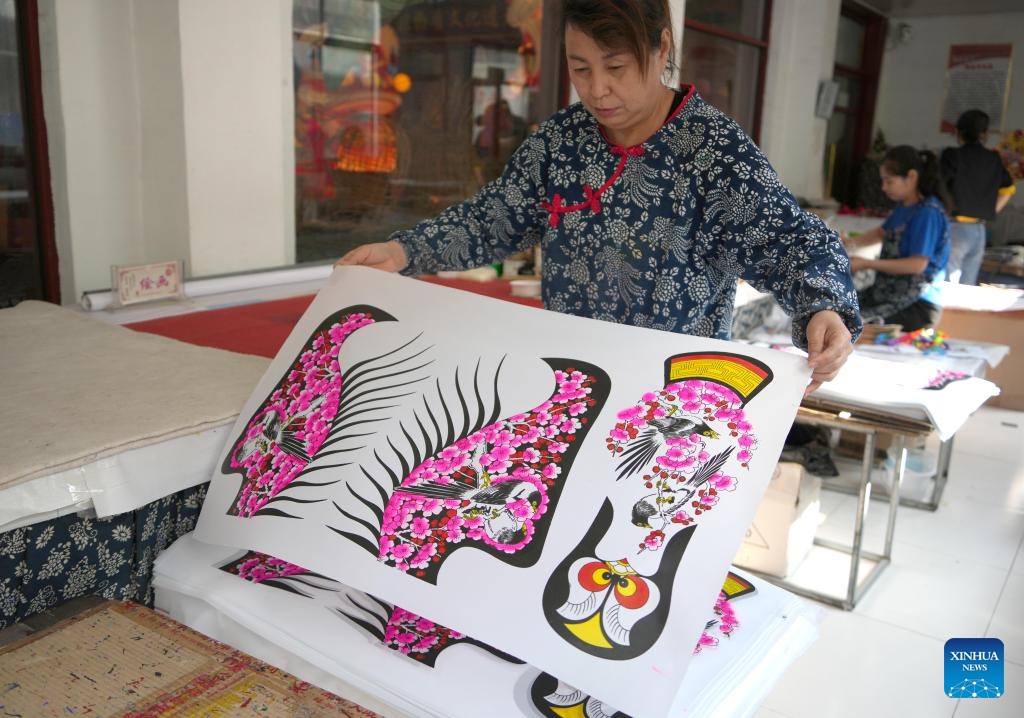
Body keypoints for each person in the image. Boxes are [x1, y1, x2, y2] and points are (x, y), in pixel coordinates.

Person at [337, 0, 861, 395]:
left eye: (615, 67)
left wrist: (825, 309)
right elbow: (495, 217)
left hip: (671, 394)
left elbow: (790, 240)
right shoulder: (560, 141)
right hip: (568, 380)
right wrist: (404, 252)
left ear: (661, 50)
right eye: (580, 68)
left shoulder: (713, 151)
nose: (597, 90)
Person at [841, 146, 950, 332]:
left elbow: (917, 265)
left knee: (851, 324)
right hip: (889, 292)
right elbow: (882, 233)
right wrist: (848, 244)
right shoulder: (905, 206)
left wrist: (867, 263)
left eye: (888, 181)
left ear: (912, 177)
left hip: (917, 304)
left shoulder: (927, 213)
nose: (883, 187)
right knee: (838, 308)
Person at [940, 109, 1017, 285]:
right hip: (979, 230)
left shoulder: (952, 156)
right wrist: (991, 210)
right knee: (968, 286)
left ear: (958, 133)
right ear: (985, 134)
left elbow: (939, 186)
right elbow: (1009, 189)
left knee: (947, 282)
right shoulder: (993, 158)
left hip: (955, 227)